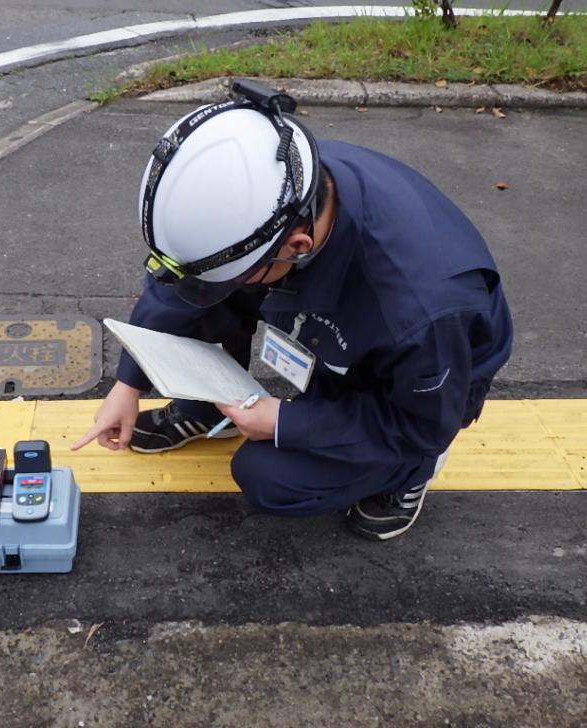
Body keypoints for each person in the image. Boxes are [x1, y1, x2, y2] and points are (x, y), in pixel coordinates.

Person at [72, 80, 513, 541]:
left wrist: (286, 422)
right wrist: (129, 383)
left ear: (297, 247)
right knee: (216, 288)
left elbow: (418, 423)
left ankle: (407, 476)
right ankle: (209, 408)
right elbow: (185, 277)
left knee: (271, 477)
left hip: (418, 381)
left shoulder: (422, 311)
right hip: (342, 312)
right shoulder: (281, 184)